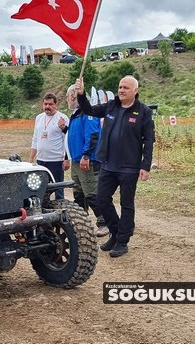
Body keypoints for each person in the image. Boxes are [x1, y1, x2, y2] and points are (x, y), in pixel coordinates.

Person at [75, 75, 155, 258]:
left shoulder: (143, 112)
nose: (121, 90)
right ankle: (115, 232)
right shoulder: (111, 106)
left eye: (126, 87)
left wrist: (146, 165)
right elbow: (89, 110)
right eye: (120, 87)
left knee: (127, 204)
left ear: (136, 90)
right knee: (102, 199)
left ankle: (122, 241)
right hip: (108, 164)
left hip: (130, 167)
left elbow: (149, 141)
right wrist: (81, 95)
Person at [58, 84, 108, 237]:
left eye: (68, 97)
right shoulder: (75, 115)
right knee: (79, 195)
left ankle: (104, 222)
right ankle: (83, 223)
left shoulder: (87, 113)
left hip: (87, 161)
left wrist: (86, 155)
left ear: (73, 96)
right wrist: (65, 129)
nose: (67, 99)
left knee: (92, 194)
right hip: (76, 161)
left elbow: (92, 135)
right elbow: (76, 135)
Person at [30, 92, 70, 200]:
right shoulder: (39, 118)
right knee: (41, 188)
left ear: (56, 105)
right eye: (45, 104)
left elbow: (67, 140)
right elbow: (35, 138)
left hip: (56, 161)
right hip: (41, 160)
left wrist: (66, 159)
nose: (47, 107)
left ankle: (60, 209)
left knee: (58, 188)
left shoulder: (62, 118)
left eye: (50, 104)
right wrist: (31, 158)